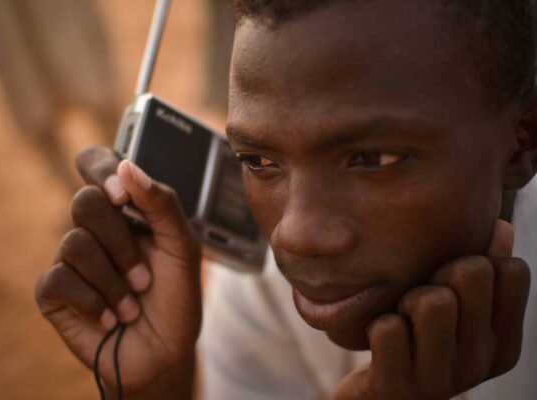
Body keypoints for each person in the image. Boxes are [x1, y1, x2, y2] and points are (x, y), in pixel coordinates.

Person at [35, 0, 537, 399]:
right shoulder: (262, 285)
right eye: (258, 161)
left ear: (523, 141)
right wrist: (153, 388)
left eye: (375, 159)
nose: (292, 234)